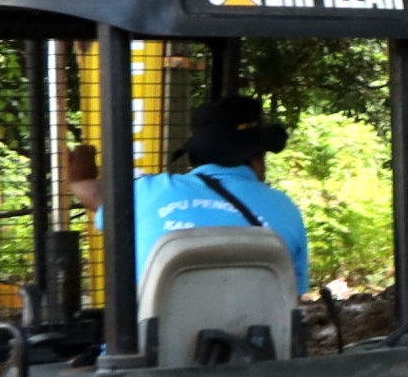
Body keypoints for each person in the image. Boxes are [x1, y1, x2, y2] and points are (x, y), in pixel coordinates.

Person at [133, 96, 311, 289]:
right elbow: (291, 301)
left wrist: (92, 168)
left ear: (196, 156)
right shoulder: (285, 209)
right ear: (257, 158)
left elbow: (94, 195)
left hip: (160, 320)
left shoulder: (145, 192)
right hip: (255, 320)